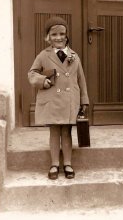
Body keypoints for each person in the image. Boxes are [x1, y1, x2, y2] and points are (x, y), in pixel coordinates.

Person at [28, 16, 89, 180]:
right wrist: (43, 81)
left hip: (70, 101)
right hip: (52, 101)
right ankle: (54, 164)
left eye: (62, 34)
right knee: (54, 133)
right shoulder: (43, 55)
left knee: (67, 133)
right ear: (48, 37)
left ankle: (67, 163)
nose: (58, 38)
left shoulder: (74, 56)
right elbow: (32, 73)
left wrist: (84, 100)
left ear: (66, 35)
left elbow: (81, 79)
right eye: (54, 35)